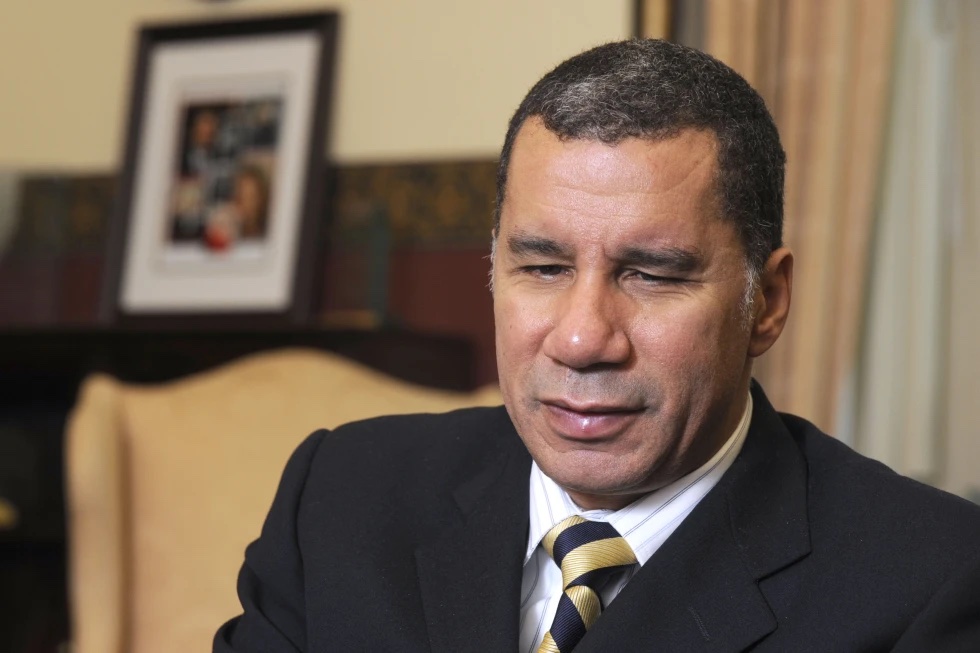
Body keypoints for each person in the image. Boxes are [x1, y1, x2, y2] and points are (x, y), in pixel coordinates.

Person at [214, 39, 980, 652]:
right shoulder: (342, 496)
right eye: (542, 267)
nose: (582, 338)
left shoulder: (930, 580)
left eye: (650, 274)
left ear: (766, 304)